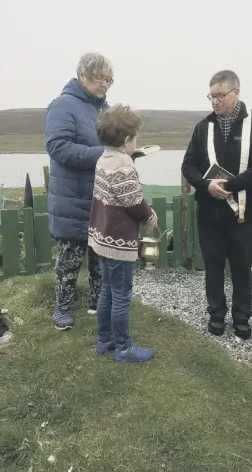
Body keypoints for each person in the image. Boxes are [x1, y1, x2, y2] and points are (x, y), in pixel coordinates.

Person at [182, 70, 252, 339]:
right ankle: (216, 315)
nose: (215, 101)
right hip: (210, 214)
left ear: (237, 92)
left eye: (221, 95)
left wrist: (230, 186)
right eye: (212, 96)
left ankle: (242, 318)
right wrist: (205, 185)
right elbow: (188, 164)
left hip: (243, 214)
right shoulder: (203, 127)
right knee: (212, 266)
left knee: (241, 267)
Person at [45, 53, 113, 330]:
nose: (105, 85)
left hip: (100, 195)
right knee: (70, 258)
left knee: (100, 255)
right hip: (72, 198)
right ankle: (62, 309)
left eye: (109, 80)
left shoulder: (104, 109)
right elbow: (58, 147)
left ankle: (99, 303)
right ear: (83, 75)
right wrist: (105, 154)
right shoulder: (62, 106)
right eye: (100, 79)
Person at [88, 104, 158, 363]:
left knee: (107, 290)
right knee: (121, 296)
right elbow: (134, 201)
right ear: (127, 140)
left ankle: (104, 340)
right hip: (118, 242)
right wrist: (151, 216)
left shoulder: (103, 158)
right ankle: (124, 349)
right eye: (135, 138)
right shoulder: (123, 165)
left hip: (101, 239)